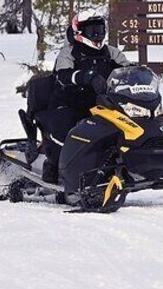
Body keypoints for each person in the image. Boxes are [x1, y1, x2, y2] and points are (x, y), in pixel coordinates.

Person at [41, 10, 131, 182]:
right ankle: (55, 165)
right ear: (79, 32)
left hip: (103, 104)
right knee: (66, 129)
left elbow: (127, 67)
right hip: (69, 103)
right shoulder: (69, 52)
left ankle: (131, 163)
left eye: (100, 30)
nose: (97, 35)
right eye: (92, 31)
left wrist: (138, 73)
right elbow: (62, 75)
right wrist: (85, 76)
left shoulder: (110, 52)